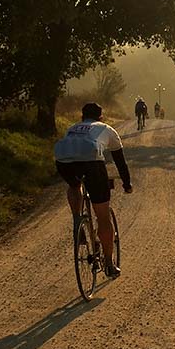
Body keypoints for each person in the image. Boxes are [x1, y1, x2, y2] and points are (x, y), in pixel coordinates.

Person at [54, 102, 132, 279]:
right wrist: (127, 184)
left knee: (74, 185)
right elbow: (120, 162)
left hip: (63, 161)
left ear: (82, 117)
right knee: (103, 216)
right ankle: (110, 264)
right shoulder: (107, 129)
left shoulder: (72, 128)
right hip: (92, 162)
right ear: (101, 116)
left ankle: (77, 221)